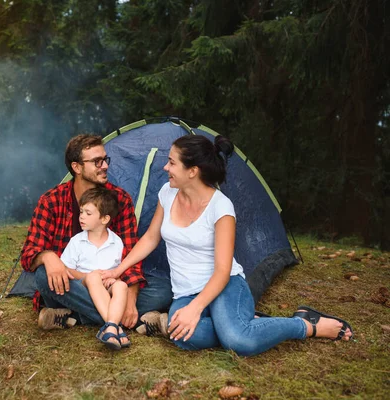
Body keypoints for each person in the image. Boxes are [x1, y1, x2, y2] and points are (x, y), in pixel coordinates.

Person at [100, 135, 353, 356]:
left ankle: (307, 325)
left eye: (172, 162)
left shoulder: (221, 207)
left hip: (224, 285)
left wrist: (195, 309)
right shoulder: (167, 193)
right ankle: (244, 322)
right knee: (181, 336)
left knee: (238, 341)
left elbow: (222, 270)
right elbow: (151, 238)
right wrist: (118, 269)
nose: (165, 167)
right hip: (186, 292)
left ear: (193, 171)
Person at [20, 134, 172, 333]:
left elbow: (130, 254)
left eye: (105, 159)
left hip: (113, 283)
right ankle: (127, 320)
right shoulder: (51, 201)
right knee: (43, 276)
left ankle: (72, 316)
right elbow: (28, 254)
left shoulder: (119, 200)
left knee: (165, 289)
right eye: (96, 162)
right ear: (77, 168)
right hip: (76, 284)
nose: (105, 166)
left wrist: (131, 298)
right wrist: (48, 257)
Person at [60, 187, 131, 350]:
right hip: (83, 287)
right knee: (93, 277)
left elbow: (117, 270)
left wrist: (114, 279)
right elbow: (66, 269)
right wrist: (89, 275)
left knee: (122, 286)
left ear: (105, 219)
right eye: (81, 212)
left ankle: (111, 326)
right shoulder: (77, 241)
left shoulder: (116, 242)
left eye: (88, 213)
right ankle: (116, 328)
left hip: (107, 288)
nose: (82, 216)